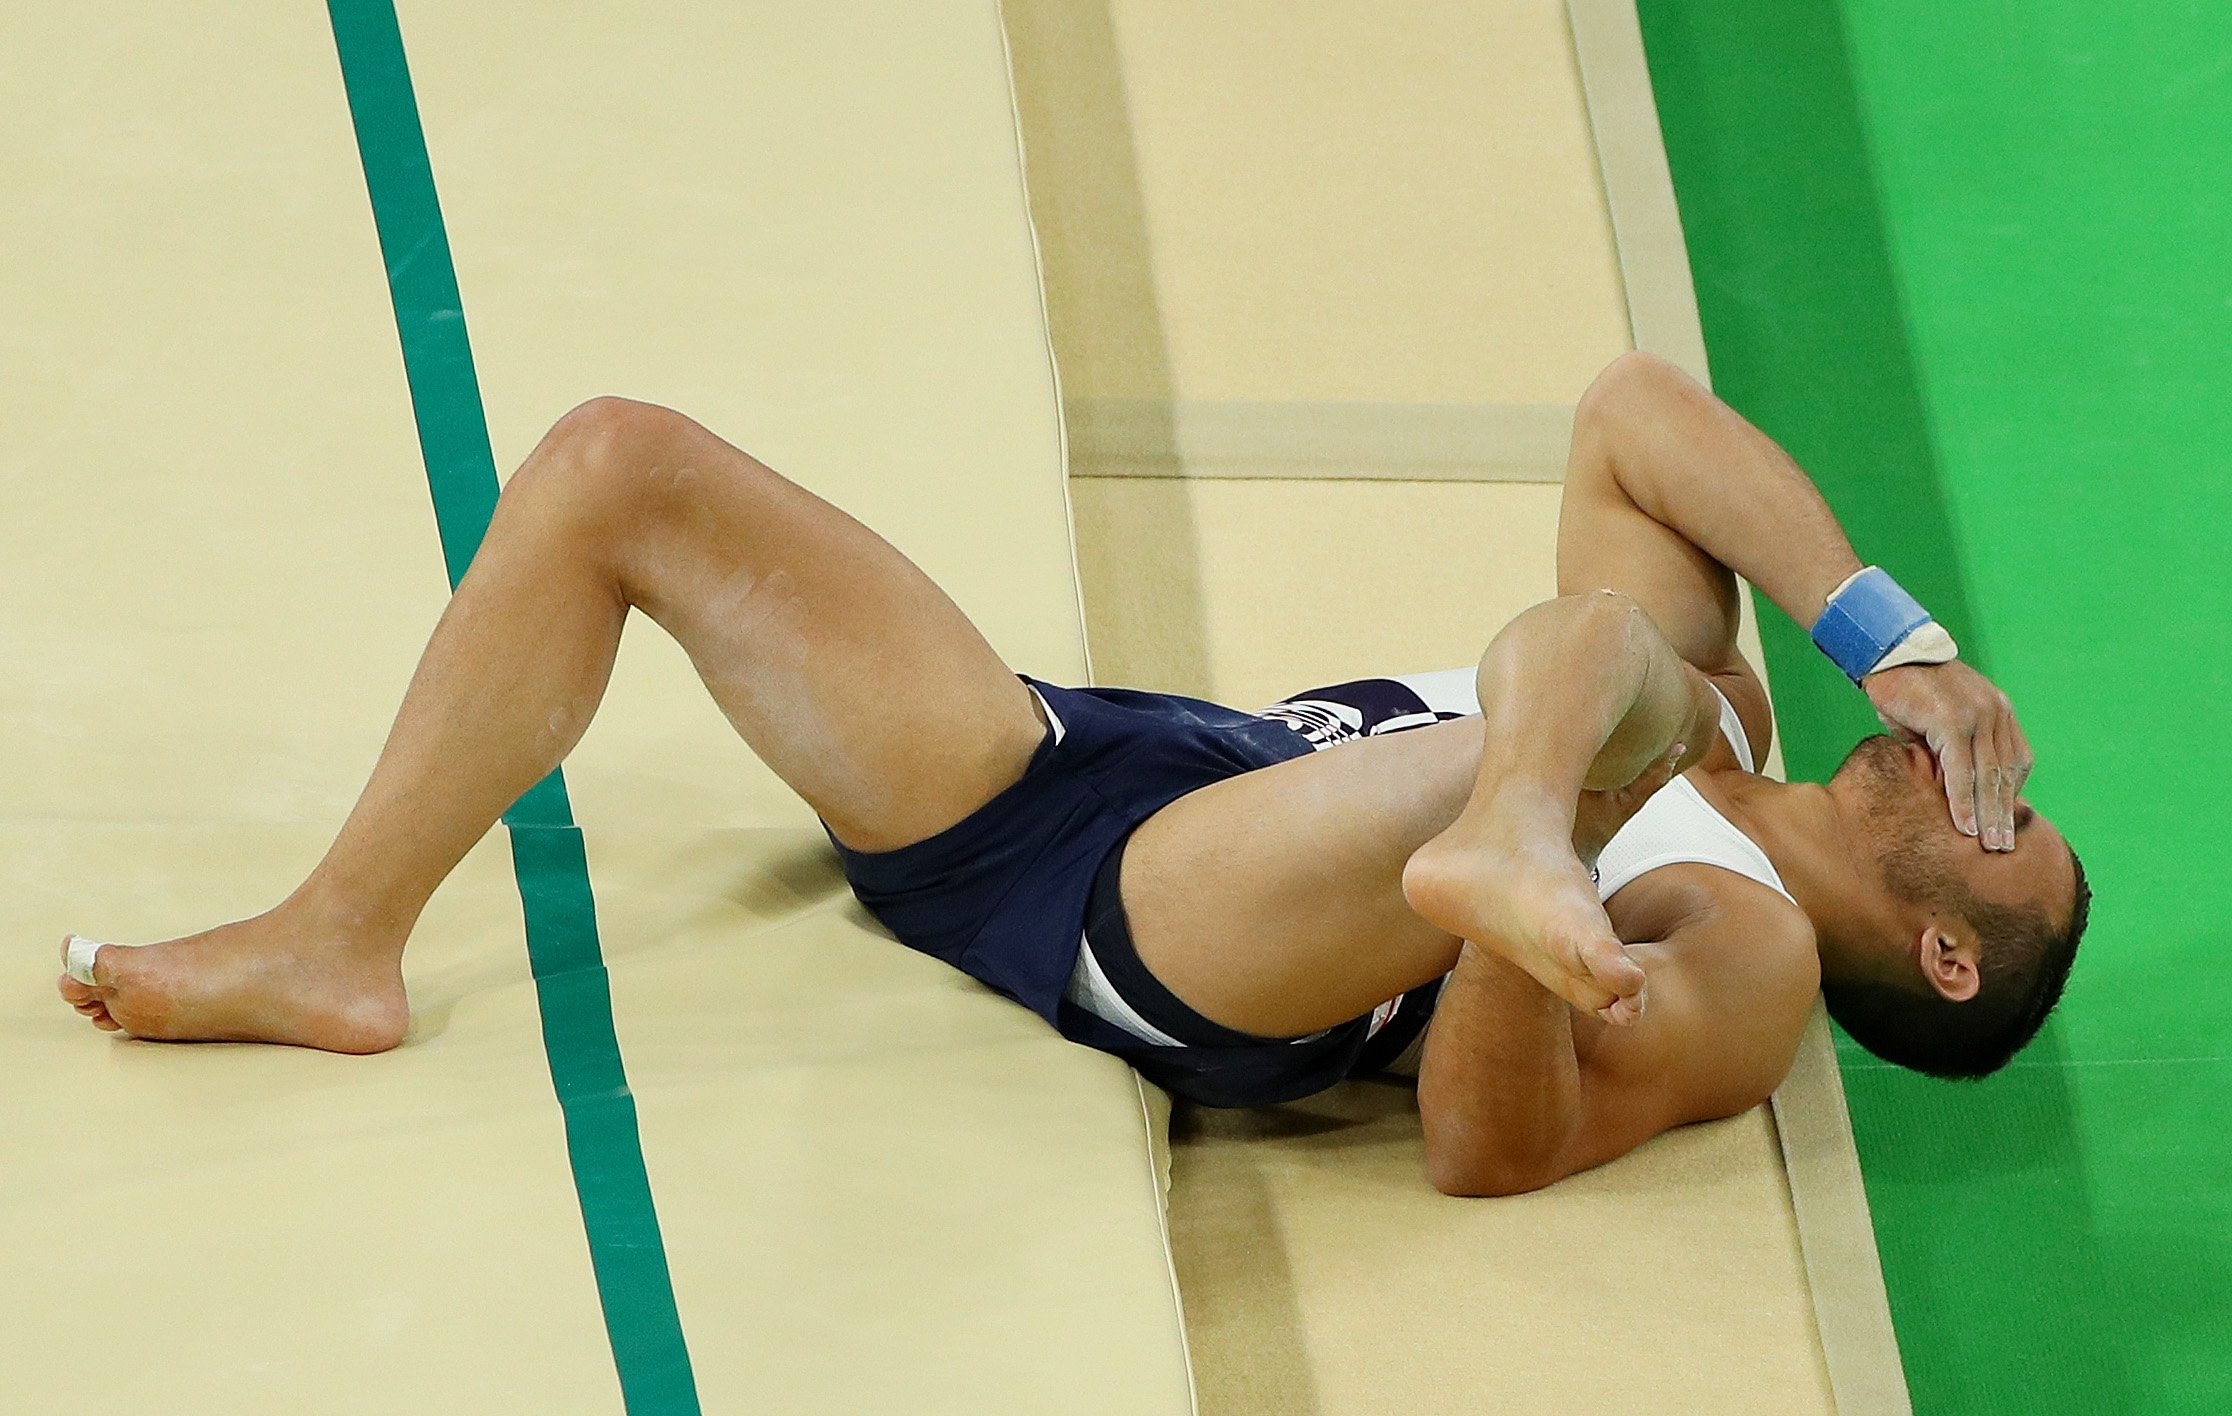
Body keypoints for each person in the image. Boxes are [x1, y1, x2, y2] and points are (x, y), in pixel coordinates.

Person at [57, 351, 2087, 1196]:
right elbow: (1636, 410)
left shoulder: (1746, 964)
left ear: (1949, 955)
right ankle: (336, 941)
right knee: (619, 466)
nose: (1976, 774)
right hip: (1093, 774)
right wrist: (1891, 640)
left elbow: (1485, 1152)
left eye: (2006, 827)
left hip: (1199, 943)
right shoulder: (1723, 717)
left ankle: (1492, 836)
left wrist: (1522, 942)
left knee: (1597, 691)